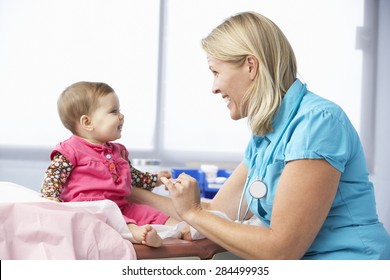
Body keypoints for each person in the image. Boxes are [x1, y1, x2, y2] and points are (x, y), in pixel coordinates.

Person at [132, 11, 390, 259]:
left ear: (251, 66)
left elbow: (281, 250)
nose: (214, 87)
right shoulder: (265, 136)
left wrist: (193, 212)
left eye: (216, 72)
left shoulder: (316, 124)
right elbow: (218, 211)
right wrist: (128, 191)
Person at [40, 81, 182, 248]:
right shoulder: (71, 149)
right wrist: (50, 197)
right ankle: (137, 233)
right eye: (114, 111)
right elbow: (54, 174)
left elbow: (133, 175)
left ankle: (181, 228)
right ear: (87, 122)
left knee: (152, 213)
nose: (121, 116)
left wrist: (154, 179)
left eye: (119, 110)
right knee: (112, 218)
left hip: (121, 206)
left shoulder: (118, 151)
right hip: (91, 208)